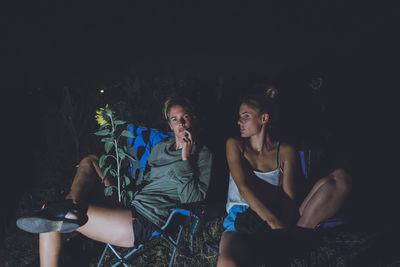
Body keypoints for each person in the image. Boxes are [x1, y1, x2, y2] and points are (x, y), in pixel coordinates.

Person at [16, 96, 213, 267]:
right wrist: (126, 188)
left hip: (145, 218)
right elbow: (147, 178)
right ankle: (71, 206)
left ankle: (67, 210)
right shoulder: (161, 147)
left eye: (185, 117)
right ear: (169, 125)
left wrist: (185, 158)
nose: (181, 124)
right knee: (91, 160)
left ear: (192, 119)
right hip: (132, 199)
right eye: (174, 119)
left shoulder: (202, 154)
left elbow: (192, 199)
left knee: (50, 213)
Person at [217, 92, 352, 267]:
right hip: (243, 221)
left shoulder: (286, 151)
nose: (239, 121)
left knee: (340, 179)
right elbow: (243, 188)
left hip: (278, 221)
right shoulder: (235, 145)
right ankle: (286, 245)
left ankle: (287, 242)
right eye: (239, 117)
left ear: (263, 118)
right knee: (227, 262)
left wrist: (282, 226)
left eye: (246, 116)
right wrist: (273, 222)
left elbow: (289, 197)